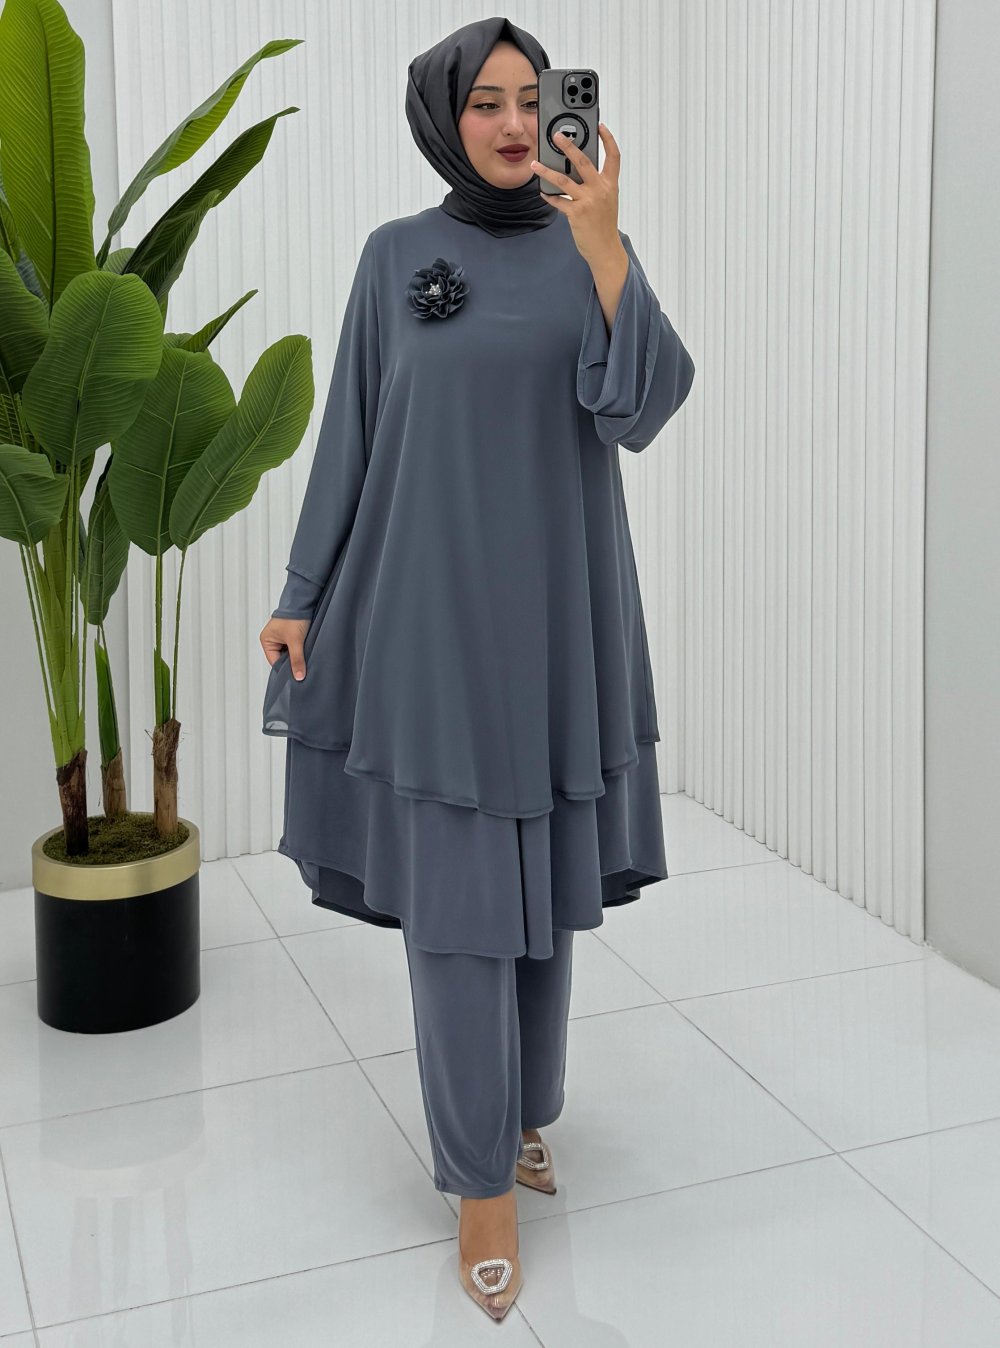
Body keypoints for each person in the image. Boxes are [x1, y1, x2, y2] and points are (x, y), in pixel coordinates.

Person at [259, 15, 695, 1322]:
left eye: (529, 98)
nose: (512, 123)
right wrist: (299, 594)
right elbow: (351, 431)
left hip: (561, 628)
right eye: (485, 102)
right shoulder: (395, 256)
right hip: (430, 630)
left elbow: (645, 407)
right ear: (445, 118)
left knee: (545, 895)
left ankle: (521, 1117)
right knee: (459, 911)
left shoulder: (589, 249)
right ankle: (480, 1184)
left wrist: (606, 241)